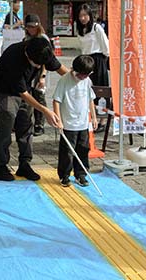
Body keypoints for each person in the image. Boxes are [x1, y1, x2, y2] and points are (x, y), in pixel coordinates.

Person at [0, 37, 69, 181]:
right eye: (37, 64)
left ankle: (24, 164)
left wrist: (78, 79)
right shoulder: (13, 57)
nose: (39, 67)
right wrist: (45, 110)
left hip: (25, 90)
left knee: (27, 126)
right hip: (6, 91)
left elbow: (60, 69)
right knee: (5, 127)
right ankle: (0, 166)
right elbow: (23, 94)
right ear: (28, 54)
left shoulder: (43, 50)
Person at [53, 55, 97, 187]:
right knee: (67, 152)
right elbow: (56, 100)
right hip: (68, 124)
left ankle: (81, 174)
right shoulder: (64, 81)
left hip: (83, 123)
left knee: (83, 150)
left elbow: (90, 100)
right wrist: (58, 120)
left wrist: (93, 117)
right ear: (74, 70)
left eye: (86, 75)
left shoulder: (87, 81)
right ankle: (64, 175)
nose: (83, 78)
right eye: (80, 75)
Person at [76, 3, 109, 133]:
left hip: (98, 59)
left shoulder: (97, 28)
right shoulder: (79, 30)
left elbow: (105, 45)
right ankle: (90, 117)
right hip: (85, 61)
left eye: (85, 15)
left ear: (90, 15)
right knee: (87, 90)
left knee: (101, 89)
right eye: (80, 16)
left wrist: (104, 59)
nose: (83, 18)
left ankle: (103, 120)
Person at [24, 14, 49, 137]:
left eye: (33, 26)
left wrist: (43, 76)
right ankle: (27, 122)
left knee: (39, 97)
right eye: (28, 26)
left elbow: (47, 59)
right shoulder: (26, 39)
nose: (31, 29)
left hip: (40, 71)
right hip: (29, 72)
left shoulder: (43, 38)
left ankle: (39, 124)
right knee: (29, 98)